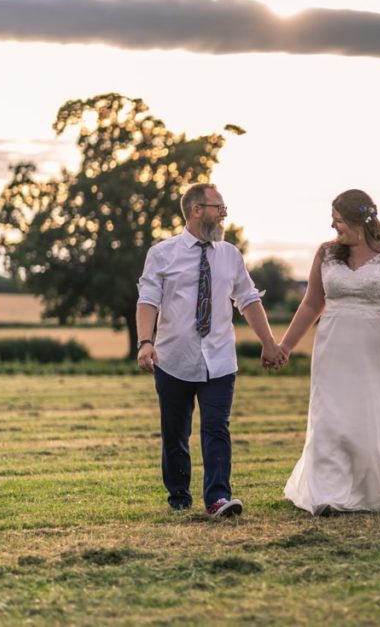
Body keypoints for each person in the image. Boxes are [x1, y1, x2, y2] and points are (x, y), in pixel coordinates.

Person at [136, 182, 287, 518]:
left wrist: (269, 342)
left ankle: (218, 498)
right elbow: (148, 300)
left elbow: (248, 300)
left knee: (217, 428)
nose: (224, 214)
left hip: (219, 359)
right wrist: (145, 341)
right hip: (173, 358)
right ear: (196, 210)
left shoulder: (230, 255)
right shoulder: (162, 254)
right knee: (175, 432)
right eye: (219, 207)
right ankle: (178, 496)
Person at [280, 189, 380, 515]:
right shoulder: (326, 254)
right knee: (331, 419)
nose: (335, 229)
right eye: (333, 223)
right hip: (334, 346)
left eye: (340, 222)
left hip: (379, 347)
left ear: (361, 221)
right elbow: (311, 303)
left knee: (371, 419)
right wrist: (285, 346)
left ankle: (369, 488)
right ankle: (330, 495)